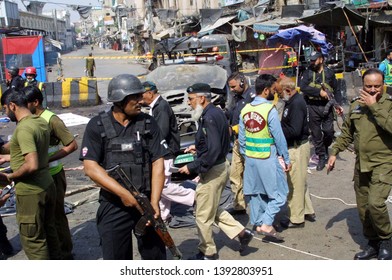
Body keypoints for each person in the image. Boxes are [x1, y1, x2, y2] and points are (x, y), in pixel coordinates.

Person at [79, 74, 169, 260]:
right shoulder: (97, 125)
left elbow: (157, 163)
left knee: (156, 257)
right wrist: (124, 195)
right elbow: (91, 168)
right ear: (119, 100)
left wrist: (154, 203)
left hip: (146, 201)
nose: (141, 101)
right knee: (116, 258)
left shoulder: (148, 123)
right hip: (114, 204)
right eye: (134, 97)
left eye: (140, 96)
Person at [178, 83, 253, 260]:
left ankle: (208, 252)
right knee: (210, 208)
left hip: (212, 171)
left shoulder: (209, 117)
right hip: (219, 167)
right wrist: (198, 148)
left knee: (202, 214)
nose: (189, 103)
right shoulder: (215, 112)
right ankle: (242, 233)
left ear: (202, 98)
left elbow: (213, 150)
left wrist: (191, 166)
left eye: (191, 99)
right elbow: (217, 141)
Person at [327, 68, 392, 260]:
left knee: (375, 204)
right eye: (368, 86)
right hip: (361, 164)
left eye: (376, 86)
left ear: (384, 85)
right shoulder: (356, 105)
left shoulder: (388, 104)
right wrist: (334, 152)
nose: (372, 90)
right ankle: (373, 243)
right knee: (363, 208)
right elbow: (347, 132)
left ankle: (386, 240)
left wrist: (374, 106)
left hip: (384, 162)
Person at [0, 89, 61, 260]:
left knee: (34, 240)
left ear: (12, 105)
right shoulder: (39, 122)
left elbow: (31, 164)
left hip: (30, 191)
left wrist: (10, 177)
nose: (5, 112)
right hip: (47, 184)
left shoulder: (23, 129)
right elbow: (29, 150)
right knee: (50, 232)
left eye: (5, 108)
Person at [24, 85, 77, 259]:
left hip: (53, 174)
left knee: (57, 216)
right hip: (39, 175)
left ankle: (65, 251)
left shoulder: (52, 120)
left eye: (26, 103)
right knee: (44, 217)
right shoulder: (29, 118)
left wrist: (47, 160)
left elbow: (71, 145)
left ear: (36, 102)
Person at [238, 74, 291, 241]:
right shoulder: (269, 110)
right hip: (268, 158)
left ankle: (259, 222)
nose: (275, 93)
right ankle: (267, 223)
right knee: (280, 193)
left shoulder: (245, 110)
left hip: (251, 159)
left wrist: (247, 155)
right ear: (266, 90)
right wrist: (286, 158)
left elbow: (241, 140)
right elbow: (279, 138)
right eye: (273, 90)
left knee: (256, 193)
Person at [141, 81, 194, 222]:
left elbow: (161, 132)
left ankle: (194, 196)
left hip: (165, 151)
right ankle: (164, 215)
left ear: (150, 94)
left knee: (161, 186)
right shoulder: (157, 107)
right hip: (164, 151)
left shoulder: (161, 108)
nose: (140, 99)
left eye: (142, 95)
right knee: (164, 183)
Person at [278, 77, 316, 228]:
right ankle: (307, 210)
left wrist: (276, 131)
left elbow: (294, 130)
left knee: (294, 184)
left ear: (288, 90)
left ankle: (296, 218)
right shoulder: (292, 102)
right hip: (296, 146)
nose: (280, 96)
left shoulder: (297, 104)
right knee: (300, 181)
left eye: (281, 92)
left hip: (297, 147)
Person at [299, 51, 343, 171]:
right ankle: (321, 156)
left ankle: (324, 148)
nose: (312, 62)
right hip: (312, 106)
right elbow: (303, 87)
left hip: (327, 106)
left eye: (314, 59)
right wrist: (319, 92)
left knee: (329, 132)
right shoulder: (308, 72)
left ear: (321, 60)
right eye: (311, 60)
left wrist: (338, 104)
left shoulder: (329, 73)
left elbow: (337, 89)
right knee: (316, 134)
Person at [226, 72, 255, 215]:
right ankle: (239, 205)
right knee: (235, 174)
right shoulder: (236, 98)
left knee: (254, 176)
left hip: (251, 142)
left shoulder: (253, 98)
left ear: (242, 82)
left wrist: (235, 129)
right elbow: (231, 114)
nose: (231, 90)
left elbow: (252, 121)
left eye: (233, 87)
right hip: (237, 142)